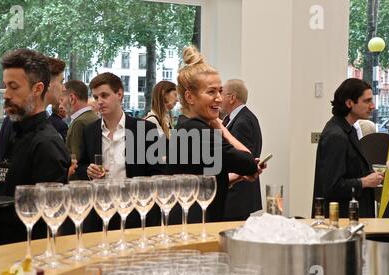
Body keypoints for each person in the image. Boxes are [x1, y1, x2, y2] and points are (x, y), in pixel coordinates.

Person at [168, 46, 263, 223]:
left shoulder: (186, 128)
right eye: (211, 92)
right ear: (190, 97)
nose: (219, 98)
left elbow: (204, 181)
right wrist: (223, 130)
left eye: (220, 91)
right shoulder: (198, 131)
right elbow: (249, 161)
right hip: (196, 226)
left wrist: (234, 178)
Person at [0, 49, 70, 247]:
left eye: (14, 87)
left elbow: (49, 215)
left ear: (37, 88)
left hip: (26, 256)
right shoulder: (15, 130)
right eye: (6, 86)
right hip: (1, 247)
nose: (6, 94)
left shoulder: (47, 143)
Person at [76, 72, 164, 231]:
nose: (99, 102)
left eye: (104, 95)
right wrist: (88, 171)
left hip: (135, 211)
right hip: (99, 210)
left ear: (119, 94)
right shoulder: (90, 131)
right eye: (96, 97)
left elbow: (157, 173)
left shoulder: (144, 129)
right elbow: (81, 166)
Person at [313, 78, 383, 218]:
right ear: (349, 103)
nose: (372, 106)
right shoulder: (336, 136)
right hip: (342, 221)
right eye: (367, 101)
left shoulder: (349, 130)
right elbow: (332, 186)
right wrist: (365, 182)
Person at [221, 79, 263, 220]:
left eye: (221, 93)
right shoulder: (240, 118)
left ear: (232, 97)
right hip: (238, 194)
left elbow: (240, 161)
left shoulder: (242, 122)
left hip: (237, 196)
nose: (218, 97)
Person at [64, 80, 99, 162]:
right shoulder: (94, 117)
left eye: (61, 100)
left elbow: (76, 160)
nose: (60, 105)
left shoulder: (79, 123)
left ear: (72, 98)